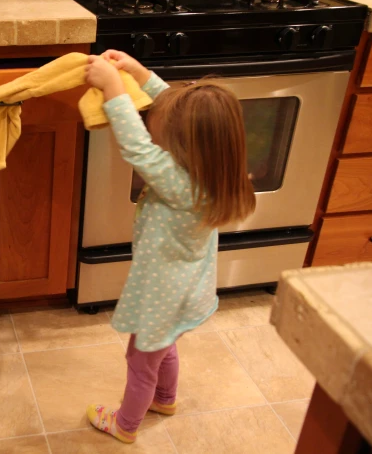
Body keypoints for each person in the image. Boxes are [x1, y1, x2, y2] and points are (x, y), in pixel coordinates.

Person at [83, 51, 256, 444]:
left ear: (185, 145)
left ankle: (125, 425)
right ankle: (166, 399)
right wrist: (141, 74)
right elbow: (180, 112)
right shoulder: (216, 171)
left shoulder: (180, 184)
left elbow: (137, 148)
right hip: (184, 292)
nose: (154, 126)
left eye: (163, 129)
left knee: (139, 361)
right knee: (164, 351)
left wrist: (113, 89)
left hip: (161, 296)